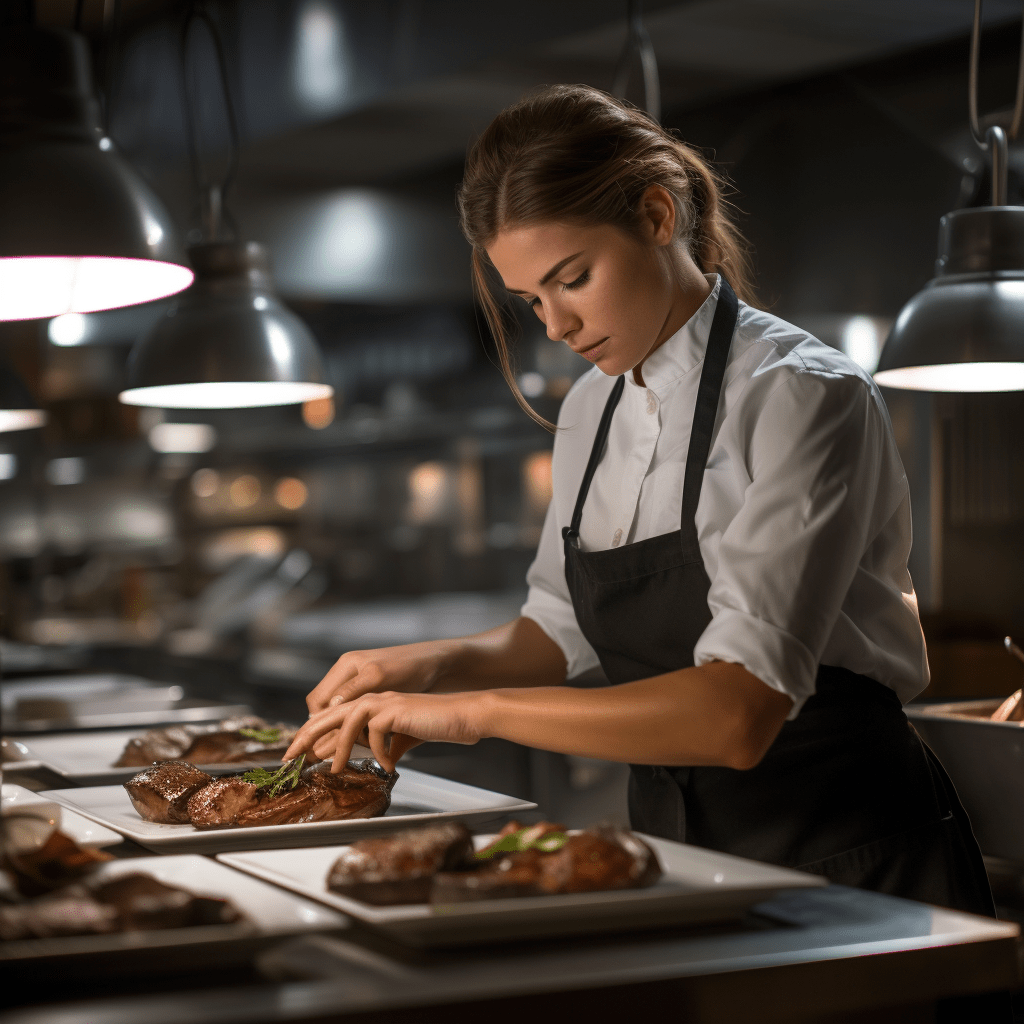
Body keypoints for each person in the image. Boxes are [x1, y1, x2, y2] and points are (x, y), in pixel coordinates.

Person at [284, 84, 993, 916]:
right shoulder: (592, 405)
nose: (556, 325)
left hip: (852, 857)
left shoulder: (800, 394)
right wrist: (429, 665)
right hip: (678, 855)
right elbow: (560, 630)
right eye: (532, 301)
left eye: (573, 278)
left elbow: (738, 712)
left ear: (658, 216)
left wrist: (472, 711)